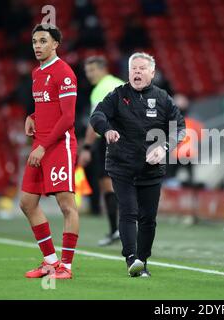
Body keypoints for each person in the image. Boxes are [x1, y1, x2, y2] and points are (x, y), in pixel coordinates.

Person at [90, 52, 185, 277]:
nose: (137, 72)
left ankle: (143, 261)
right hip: (121, 165)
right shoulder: (118, 95)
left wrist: (164, 148)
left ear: (152, 72)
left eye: (142, 68)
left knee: (148, 218)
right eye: (134, 68)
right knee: (129, 211)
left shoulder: (163, 98)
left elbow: (180, 128)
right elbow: (97, 115)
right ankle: (131, 258)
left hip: (151, 169)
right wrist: (107, 130)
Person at [20, 24, 79, 280]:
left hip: (59, 146)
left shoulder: (64, 73)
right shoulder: (36, 73)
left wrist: (44, 147)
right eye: (34, 41)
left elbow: (67, 118)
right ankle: (50, 262)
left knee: (66, 206)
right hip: (40, 145)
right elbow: (47, 106)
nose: (37, 45)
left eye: (43, 41)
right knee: (27, 203)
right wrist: (31, 116)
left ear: (55, 44)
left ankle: (66, 266)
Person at [79, 56, 125, 246]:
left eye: (92, 70)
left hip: (108, 140)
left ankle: (117, 230)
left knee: (108, 186)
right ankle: (122, 230)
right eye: (87, 71)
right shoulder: (121, 84)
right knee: (123, 184)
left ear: (102, 69)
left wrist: (87, 147)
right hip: (126, 139)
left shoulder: (100, 89)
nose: (89, 75)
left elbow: (95, 122)